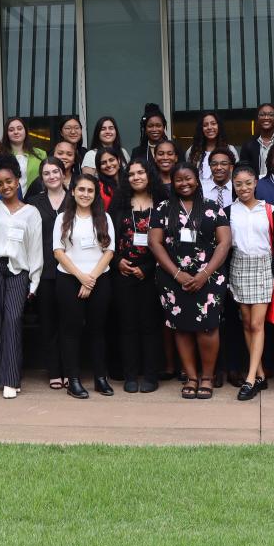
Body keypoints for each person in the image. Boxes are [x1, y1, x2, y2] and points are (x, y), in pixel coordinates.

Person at [149, 162, 232, 399]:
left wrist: (204, 274)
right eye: (179, 180)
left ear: (197, 180)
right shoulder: (163, 208)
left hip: (210, 277)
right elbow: (155, 243)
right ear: (172, 183)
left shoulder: (212, 207)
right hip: (172, 278)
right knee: (181, 328)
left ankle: (207, 377)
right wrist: (177, 274)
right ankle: (191, 376)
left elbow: (224, 242)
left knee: (207, 327)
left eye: (188, 179)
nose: (184, 183)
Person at [0, 154, 43, 399]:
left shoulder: (31, 212)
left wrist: (34, 280)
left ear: (18, 180)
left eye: (9, 181)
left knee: (13, 319)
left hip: (19, 271)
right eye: (0, 183)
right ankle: (6, 377)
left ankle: (11, 377)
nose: (5, 186)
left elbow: (36, 248)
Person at [227, 163, 274, 401]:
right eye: (238, 183)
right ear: (234, 185)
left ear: (256, 183)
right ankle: (261, 373)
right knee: (245, 322)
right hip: (239, 267)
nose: (243, 188)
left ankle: (250, 378)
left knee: (257, 324)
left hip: (264, 267)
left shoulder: (270, 209)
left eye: (248, 183)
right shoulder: (228, 211)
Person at [52, 174, 116, 399]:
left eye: (90, 190)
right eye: (81, 189)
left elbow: (109, 251)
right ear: (73, 191)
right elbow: (58, 252)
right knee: (71, 331)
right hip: (69, 279)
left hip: (99, 279)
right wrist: (81, 277)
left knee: (98, 331)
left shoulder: (104, 218)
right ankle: (74, 380)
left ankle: (100, 378)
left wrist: (92, 279)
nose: (85, 194)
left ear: (95, 194)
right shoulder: (62, 219)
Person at [111, 160, 163, 394]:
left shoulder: (162, 203)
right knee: (127, 325)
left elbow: (168, 242)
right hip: (123, 271)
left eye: (140, 172)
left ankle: (151, 376)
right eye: (131, 174)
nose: (136, 177)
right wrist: (117, 261)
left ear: (149, 175)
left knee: (150, 325)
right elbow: (107, 236)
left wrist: (148, 266)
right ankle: (130, 375)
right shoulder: (119, 204)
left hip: (152, 272)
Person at [27, 158, 68, 389]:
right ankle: (54, 370)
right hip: (43, 271)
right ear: (41, 178)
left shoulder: (76, 198)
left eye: (55, 172)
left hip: (71, 270)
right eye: (46, 173)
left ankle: (69, 368)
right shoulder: (33, 203)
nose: (51, 176)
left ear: (63, 174)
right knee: (48, 322)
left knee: (69, 323)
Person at [185, 111, 238, 184]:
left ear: (218, 126)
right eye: (205, 125)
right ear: (201, 129)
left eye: (213, 124)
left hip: (224, 193)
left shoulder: (230, 149)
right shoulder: (193, 150)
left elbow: (236, 175)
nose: (209, 127)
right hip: (199, 194)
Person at [1, 116, 48, 191]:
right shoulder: (1, 155)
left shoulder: (41, 154)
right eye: (11, 130)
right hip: (8, 199)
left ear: (25, 131)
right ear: (7, 133)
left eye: (19, 128)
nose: (16, 132)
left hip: (35, 199)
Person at [239, 102, 274, 177]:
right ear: (257, 118)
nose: (266, 118)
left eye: (271, 115)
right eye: (262, 115)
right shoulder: (248, 145)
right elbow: (243, 170)